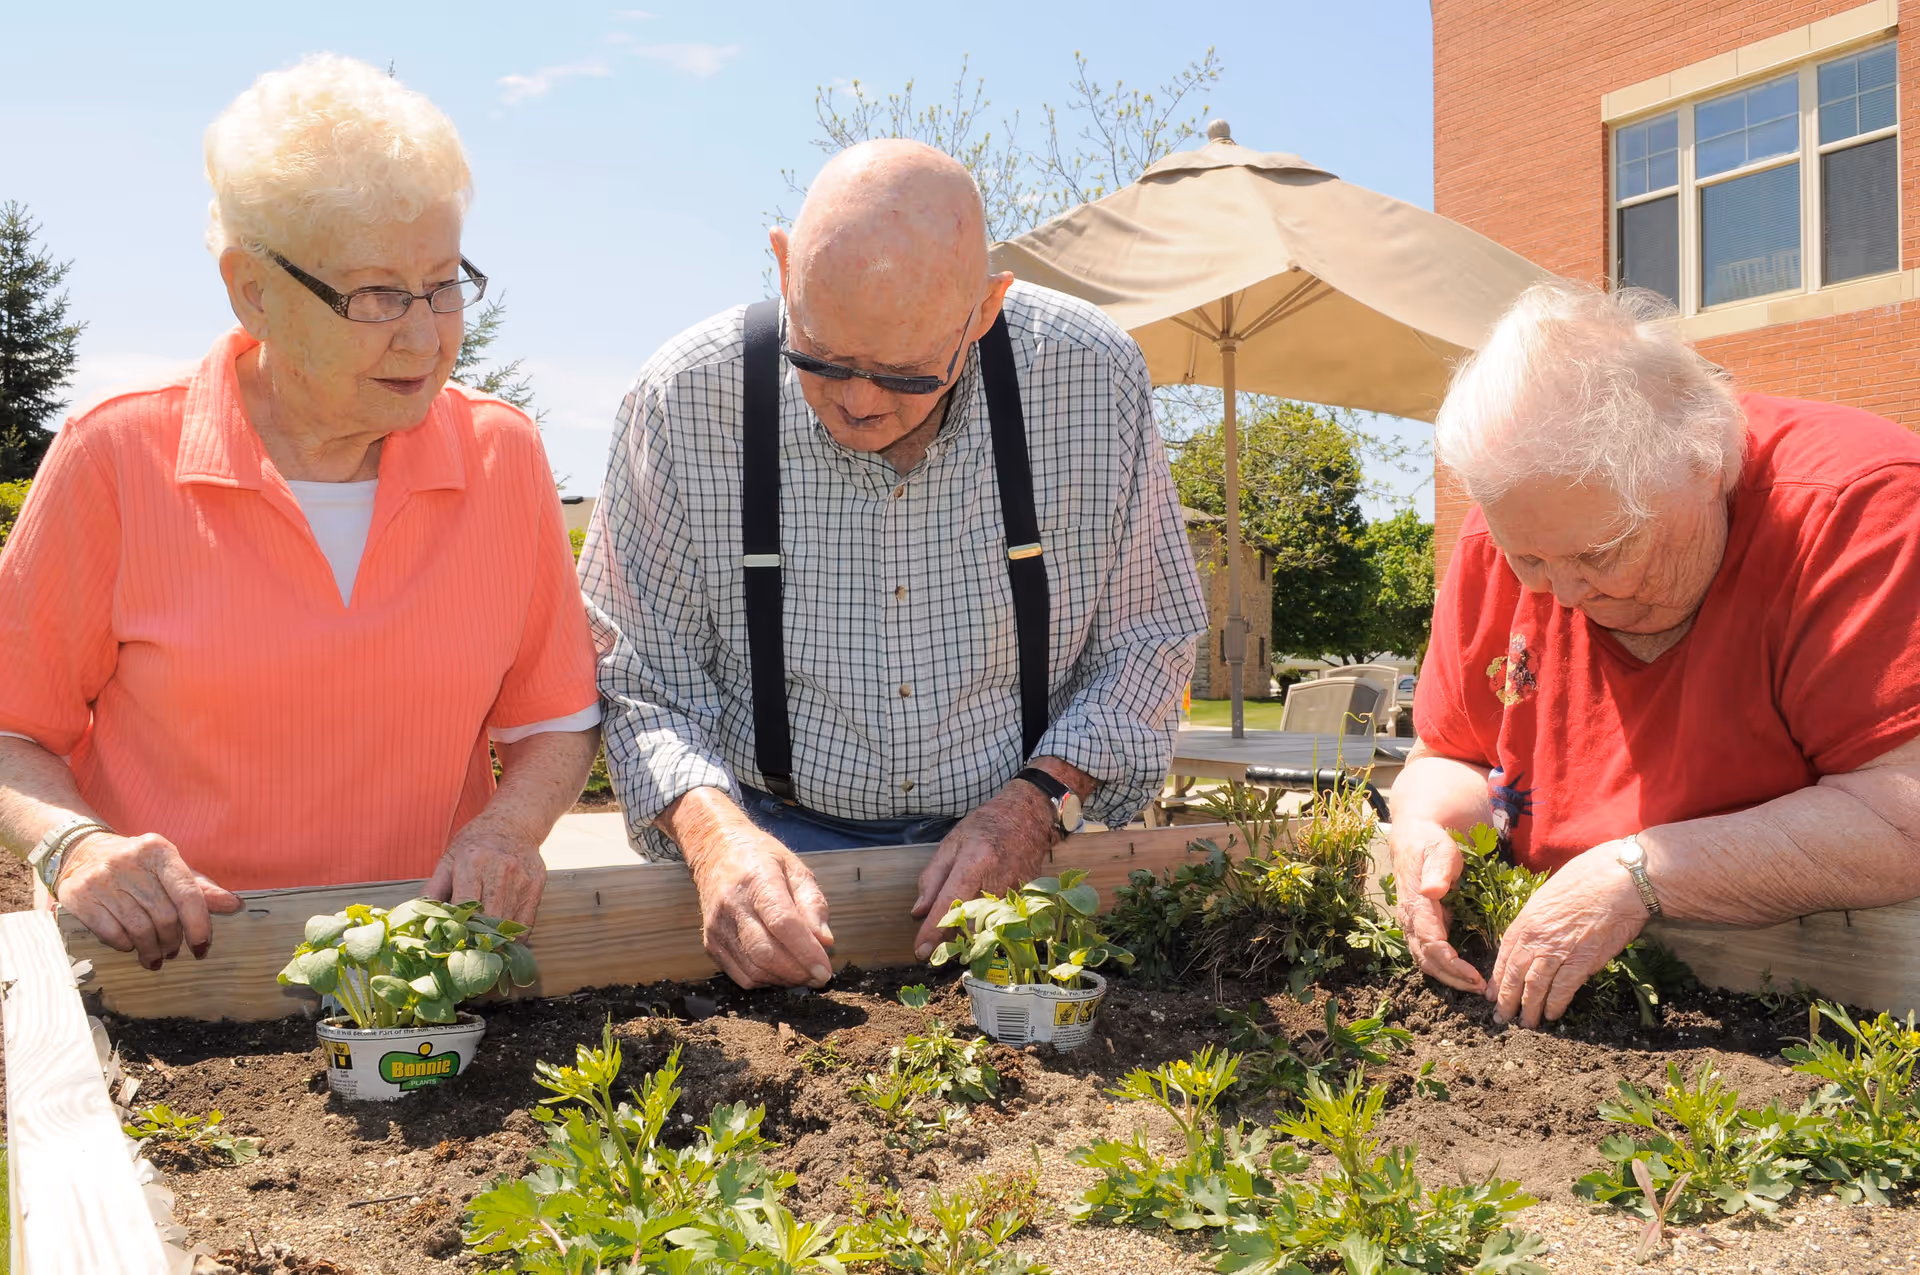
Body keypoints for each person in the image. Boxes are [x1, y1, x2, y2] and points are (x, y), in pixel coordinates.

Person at [0, 55, 600, 971]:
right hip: (168, 974)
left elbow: (555, 718)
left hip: (421, 977)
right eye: (375, 294)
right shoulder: (114, 458)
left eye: (443, 283)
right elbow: (12, 729)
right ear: (253, 290)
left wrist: (507, 829)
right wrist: (73, 846)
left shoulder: (502, 455)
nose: (422, 331)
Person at [582, 139, 1206, 991]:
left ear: (984, 311)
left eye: (907, 374)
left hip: (1030, 846)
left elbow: (1151, 637)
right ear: (782, 264)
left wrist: (1037, 806)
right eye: (822, 356)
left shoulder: (1091, 377)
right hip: (774, 852)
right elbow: (636, 678)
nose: (859, 400)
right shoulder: (682, 400)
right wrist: (712, 834)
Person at [1394, 279, 1920, 1028]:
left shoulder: (1861, 505)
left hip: (1843, 991)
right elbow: (1453, 756)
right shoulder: (1506, 532)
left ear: (1706, 460)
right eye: (1531, 560)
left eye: (1602, 551)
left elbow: (1903, 814)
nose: (1563, 593)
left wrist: (1636, 873)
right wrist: (1424, 829)